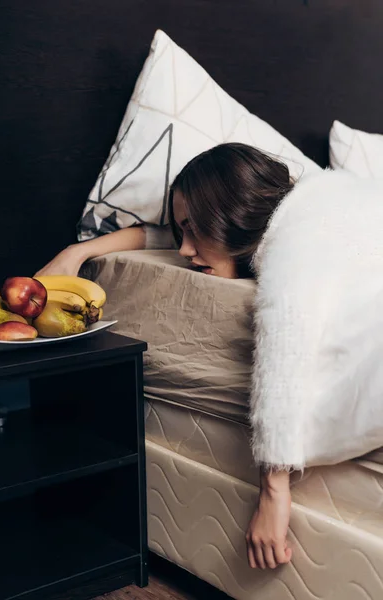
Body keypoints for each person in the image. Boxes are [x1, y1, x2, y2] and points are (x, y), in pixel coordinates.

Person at [36, 142, 383, 571]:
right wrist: (78, 252)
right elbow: (160, 235)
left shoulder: (300, 240)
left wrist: (274, 491)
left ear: (231, 214)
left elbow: (287, 345)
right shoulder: (291, 209)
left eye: (194, 229)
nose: (183, 251)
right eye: (183, 231)